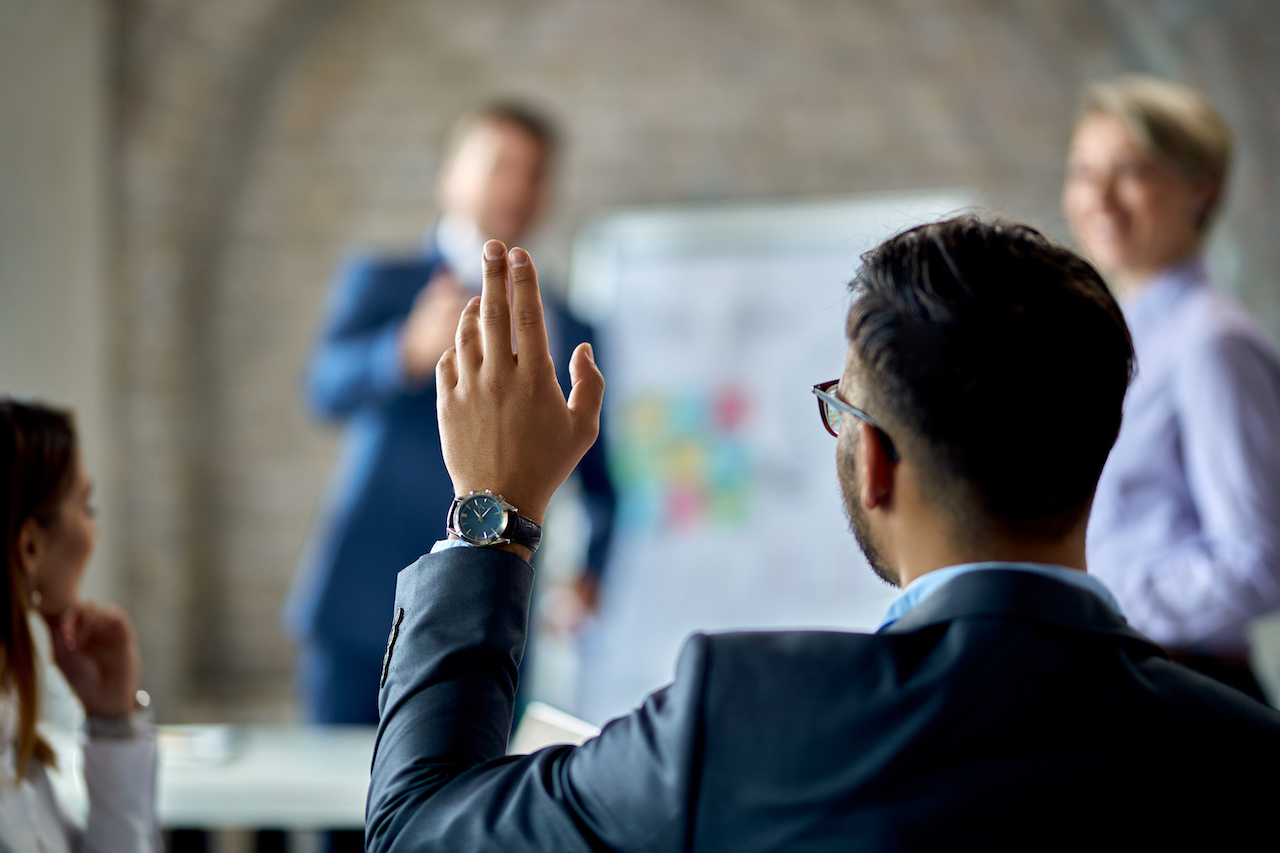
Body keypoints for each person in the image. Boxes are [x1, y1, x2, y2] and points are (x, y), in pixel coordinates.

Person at [365, 219, 1280, 851]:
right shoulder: (1244, 755)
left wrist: (492, 512)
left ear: (874, 462)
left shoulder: (741, 717)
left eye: (841, 409)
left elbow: (418, 831)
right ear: (1097, 452)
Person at [284, 102, 615, 725]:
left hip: (491, 618)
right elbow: (323, 391)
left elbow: (603, 472)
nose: (517, 186)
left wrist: (592, 572)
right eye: (500, 166)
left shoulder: (570, 324)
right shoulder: (381, 281)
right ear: (451, 176)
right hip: (362, 605)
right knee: (338, 812)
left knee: (470, 812)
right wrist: (403, 348)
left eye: (535, 172)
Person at [1062, 75, 1280, 694]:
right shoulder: (1111, 338)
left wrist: (1091, 605)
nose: (1098, 198)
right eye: (1082, 172)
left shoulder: (1212, 344)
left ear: (1201, 189)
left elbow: (1259, 561)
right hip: (1127, 676)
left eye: (1130, 171)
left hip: (1185, 691)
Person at [1, 398, 157, 852]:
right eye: (87, 508)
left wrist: (112, 718)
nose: (94, 532)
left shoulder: (15, 727)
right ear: (30, 545)